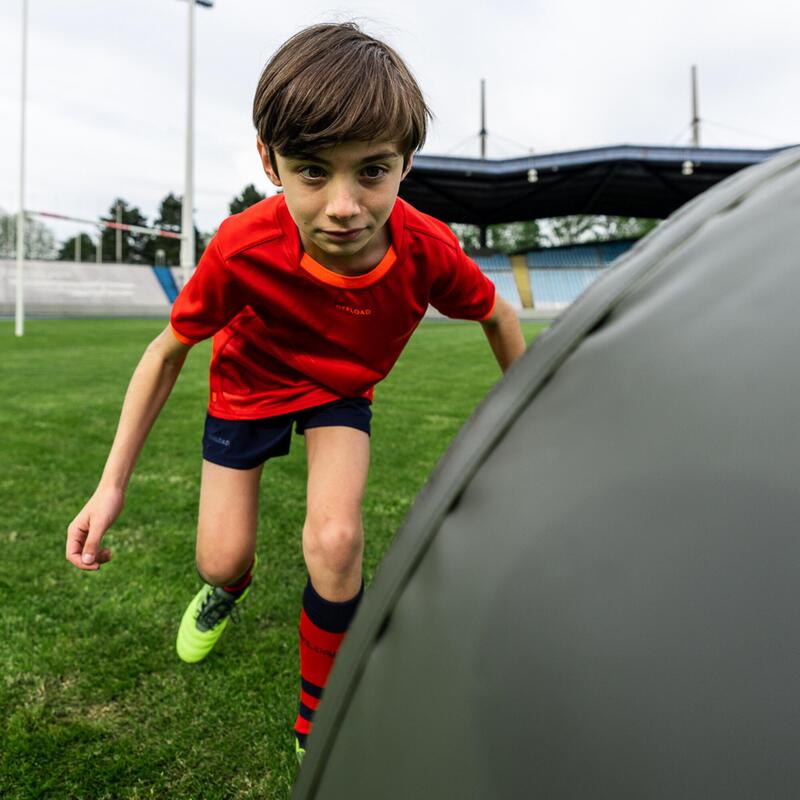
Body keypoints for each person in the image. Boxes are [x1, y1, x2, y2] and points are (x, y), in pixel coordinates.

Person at [65, 21, 526, 764]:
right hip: (247, 386)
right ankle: (228, 588)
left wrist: (530, 421)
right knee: (219, 559)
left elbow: (498, 316)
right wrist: (110, 486)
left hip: (339, 392)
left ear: (407, 161)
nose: (343, 205)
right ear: (269, 162)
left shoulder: (429, 249)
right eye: (313, 171)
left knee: (336, 541)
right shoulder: (243, 246)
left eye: (371, 170)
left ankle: (321, 716)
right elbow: (167, 352)